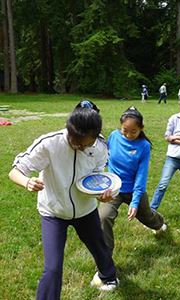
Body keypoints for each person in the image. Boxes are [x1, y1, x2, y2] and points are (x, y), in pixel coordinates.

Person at [8, 100, 119, 299]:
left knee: (98, 246)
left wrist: (103, 193)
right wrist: (27, 182)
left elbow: (98, 176)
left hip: (85, 209)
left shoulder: (99, 145)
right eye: (77, 142)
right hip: (53, 212)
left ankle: (109, 276)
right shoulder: (49, 144)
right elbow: (15, 171)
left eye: (87, 143)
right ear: (70, 130)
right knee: (52, 267)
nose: (82, 147)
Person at [98, 107, 167, 255]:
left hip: (134, 189)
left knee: (147, 217)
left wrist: (135, 202)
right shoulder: (113, 136)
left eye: (133, 131)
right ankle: (105, 261)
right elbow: (105, 158)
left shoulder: (144, 146)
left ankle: (159, 223)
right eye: (125, 130)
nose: (128, 135)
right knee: (103, 217)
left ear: (141, 128)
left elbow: (141, 177)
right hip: (113, 189)